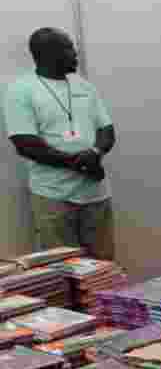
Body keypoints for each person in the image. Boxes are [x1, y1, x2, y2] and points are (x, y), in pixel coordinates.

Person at [4, 28, 116, 260]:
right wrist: (79, 164)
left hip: (95, 194)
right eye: (68, 48)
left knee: (103, 270)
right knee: (62, 272)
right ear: (47, 54)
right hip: (53, 197)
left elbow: (107, 130)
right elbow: (25, 143)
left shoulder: (85, 87)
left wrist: (95, 152)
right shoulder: (21, 90)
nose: (75, 54)